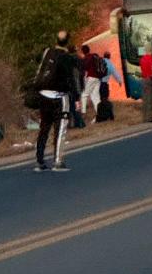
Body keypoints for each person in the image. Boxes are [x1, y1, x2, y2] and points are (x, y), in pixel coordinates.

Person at [31, 31, 81, 171]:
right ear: (68, 42)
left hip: (43, 95)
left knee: (44, 128)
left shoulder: (47, 52)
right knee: (60, 129)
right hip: (59, 97)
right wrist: (76, 97)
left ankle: (39, 160)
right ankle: (58, 161)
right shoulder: (67, 58)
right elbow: (71, 79)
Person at [80, 44, 102, 122]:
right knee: (95, 97)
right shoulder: (94, 56)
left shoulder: (87, 58)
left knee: (84, 94)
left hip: (91, 77)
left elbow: (84, 67)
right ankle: (100, 114)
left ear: (83, 51)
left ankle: (83, 113)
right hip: (98, 78)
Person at [139, 42, 152, 123]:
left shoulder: (142, 59)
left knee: (144, 99)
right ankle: (149, 118)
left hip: (143, 80)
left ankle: (144, 118)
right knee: (150, 99)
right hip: (150, 80)